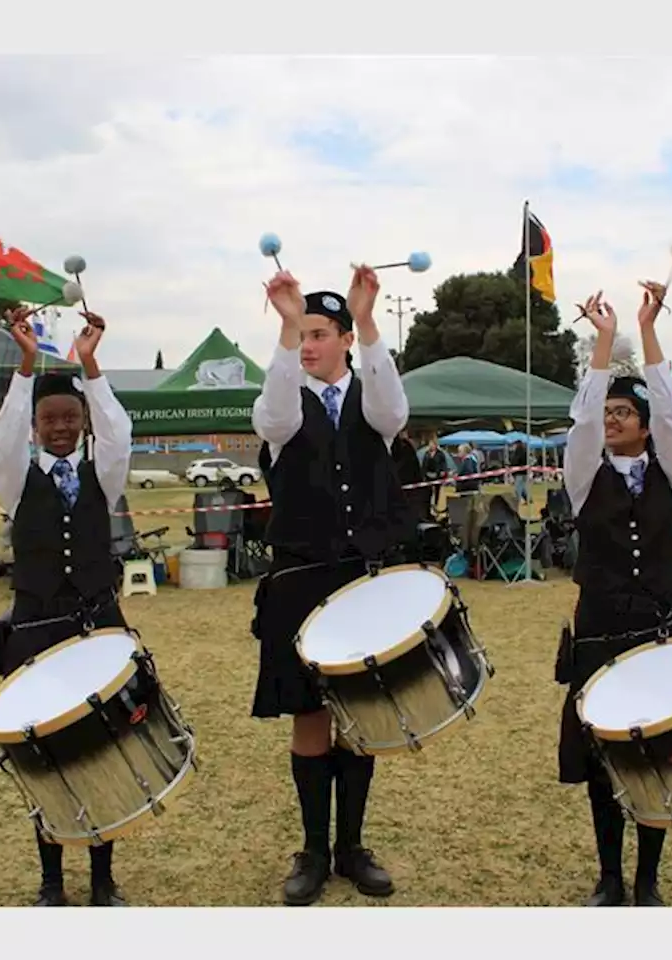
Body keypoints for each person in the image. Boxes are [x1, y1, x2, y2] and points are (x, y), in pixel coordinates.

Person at [250, 265, 414, 907]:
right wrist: (286, 328)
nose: (310, 344)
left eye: (321, 332)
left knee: (361, 719)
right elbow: (274, 413)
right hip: (301, 580)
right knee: (311, 717)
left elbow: (392, 409)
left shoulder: (375, 402)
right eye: (304, 334)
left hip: (364, 581)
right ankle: (314, 850)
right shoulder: (283, 409)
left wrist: (370, 319)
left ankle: (352, 846)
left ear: (346, 339)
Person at [0, 305, 134, 907]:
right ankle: (52, 882)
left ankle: (103, 881)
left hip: (98, 625)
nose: (62, 427)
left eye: (72, 417)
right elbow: (2, 436)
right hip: (38, 628)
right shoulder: (16, 476)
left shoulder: (105, 469)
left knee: (103, 748)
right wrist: (26, 365)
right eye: (51, 419)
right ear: (37, 425)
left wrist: (90, 365)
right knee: (43, 752)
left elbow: (118, 430)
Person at [555, 283, 672, 908]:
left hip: (665, 626)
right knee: (604, 755)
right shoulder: (584, 477)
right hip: (601, 628)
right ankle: (609, 876)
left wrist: (648, 330)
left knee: (658, 753)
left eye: (622, 413)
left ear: (644, 425)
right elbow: (582, 422)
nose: (610, 420)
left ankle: (648, 881)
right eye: (606, 411)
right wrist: (604, 345)